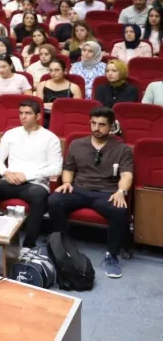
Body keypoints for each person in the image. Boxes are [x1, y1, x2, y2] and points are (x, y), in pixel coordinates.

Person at [48, 107, 133, 279]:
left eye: (102, 125)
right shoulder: (77, 144)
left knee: (120, 210)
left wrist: (121, 191)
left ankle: (112, 255)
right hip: (79, 189)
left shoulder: (122, 149)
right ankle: (63, 243)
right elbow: (69, 168)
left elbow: (127, 175)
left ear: (111, 126)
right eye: (93, 123)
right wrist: (66, 183)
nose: (97, 128)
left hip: (106, 192)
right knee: (54, 200)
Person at [0, 99, 62, 261]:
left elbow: (56, 168)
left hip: (35, 183)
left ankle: (28, 245)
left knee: (38, 196)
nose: (23, 117)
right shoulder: (11, 134)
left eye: (28, 113)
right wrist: (6, 173)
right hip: (10, 180)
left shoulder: (50, 138)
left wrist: (28, 175)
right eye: (21, 113)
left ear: (38, 116)